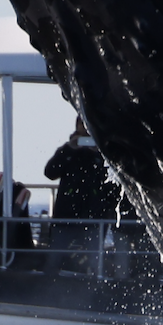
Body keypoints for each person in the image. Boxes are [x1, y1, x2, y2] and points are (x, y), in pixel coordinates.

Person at [43, 116, 116, 272]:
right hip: (66, 215)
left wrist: (98, 154)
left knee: (94, 262)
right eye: (82, 124)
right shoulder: (66, 150)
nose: (86, 128)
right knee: (54, 259)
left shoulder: (103, 152)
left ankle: (94, 291)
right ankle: (49, 284)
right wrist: (69, 149)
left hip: (93, 216)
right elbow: (50, 172)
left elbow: (111, 181)